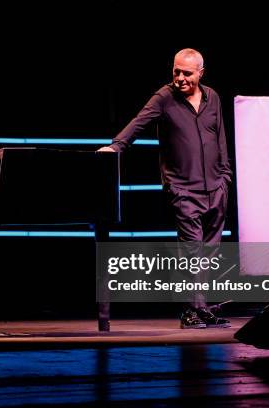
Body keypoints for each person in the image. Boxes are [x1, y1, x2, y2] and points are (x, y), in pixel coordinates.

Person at [99, 48, 231, 329]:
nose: (180, 78)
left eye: (187, 73)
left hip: (216, 188)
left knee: (209, 252)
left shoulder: (213, 98)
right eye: (176, 71)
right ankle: (188, 311)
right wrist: (116, 146)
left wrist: (225, 178)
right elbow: (138, 122)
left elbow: (220, 139)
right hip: (184, 189)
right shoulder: (164, 97)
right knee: (192, 251)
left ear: (200, 73)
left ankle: (202, 308)